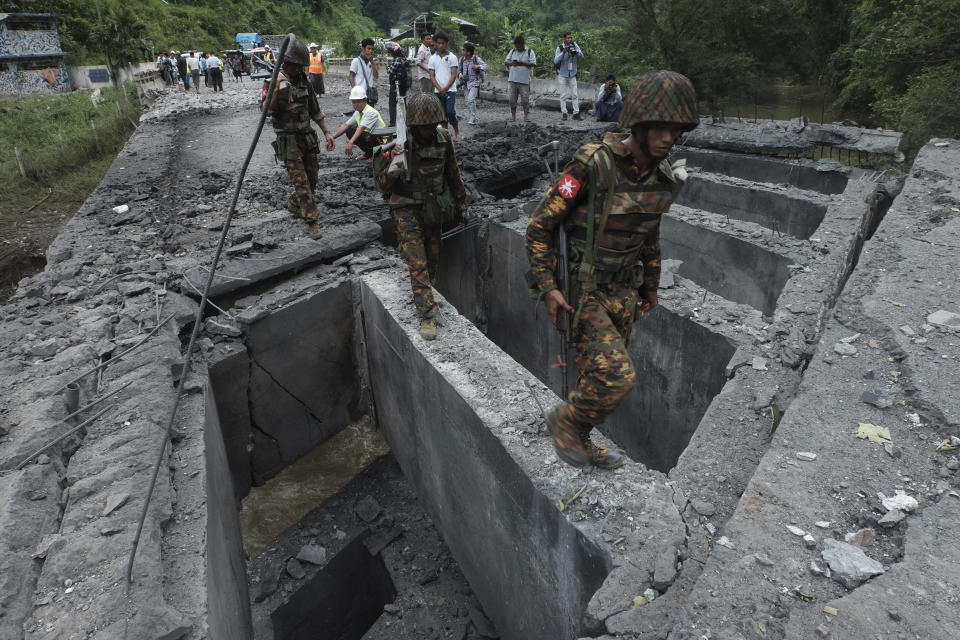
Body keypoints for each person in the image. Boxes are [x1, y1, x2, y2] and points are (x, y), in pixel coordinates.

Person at [524, 70, 699, 469]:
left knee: (596, 377)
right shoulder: (593, 164)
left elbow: (650, 235)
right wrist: (548, 286)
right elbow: (539, 227)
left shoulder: (662, 176)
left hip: (624, 294)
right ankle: (565, 421)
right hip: (584, 291)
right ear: (637, 125)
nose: (668, 138)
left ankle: (582, 439)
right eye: (659, 128)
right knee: (616, 378)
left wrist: (651, 287)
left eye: (676, 130)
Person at [376, 93, 468, 340]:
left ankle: (426, 291)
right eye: (424, 126)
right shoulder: (398, 143)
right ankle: (427, 314)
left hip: (433, 206)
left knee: (432, 259)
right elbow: (383, 185)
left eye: (432, 124)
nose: (428, 129)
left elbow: (453, 173)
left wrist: (462, 204)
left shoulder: (443, 138)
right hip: (405, 207)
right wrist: (396, 160)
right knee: (417, 262)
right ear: (414, 124)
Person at [265, 39, 335, 236]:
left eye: (300, 66)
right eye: (295, 66)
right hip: (288, 140)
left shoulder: (305, 81)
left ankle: (295, 203)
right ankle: (312, 220)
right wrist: (276, 89)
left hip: (306, 137)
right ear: (287, 64)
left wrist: (327, 132)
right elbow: (266, 110)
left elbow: (315, 109)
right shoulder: (274, 81)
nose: (298, 69)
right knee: (301, 182)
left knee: (312, 178)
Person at [330, 85, 386, 159]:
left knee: (364, 134)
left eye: (358, 101)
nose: (356, 104)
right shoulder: (357, 112)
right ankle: (369, 153)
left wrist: (351, 142)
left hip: (382, 141)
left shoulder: (371, 112)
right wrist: (332, 138)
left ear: (365, 101)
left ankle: (376, 155)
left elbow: (361, 128)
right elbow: (346, 125)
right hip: (372, 137)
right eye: (354, 102)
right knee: (350, 130)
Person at [428, 31, 460, 141]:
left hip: (450, 90)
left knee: (450, 112)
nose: (440, 45)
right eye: (438, 43)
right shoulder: (432, 58)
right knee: (442, 115)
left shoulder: (452, 57)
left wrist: (445, 88)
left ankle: (457, 132)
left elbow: (454, 74)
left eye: (443, 43)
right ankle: (447, 136)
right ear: (435, 44)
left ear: (446, 44)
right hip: (438, 91)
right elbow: (432, 76)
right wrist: (439, 89)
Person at [505, 35, 536, 122]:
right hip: (512, 80)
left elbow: (533, 64)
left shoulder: (530, 51)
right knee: (512, 100)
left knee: (525, 100)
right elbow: (506, 62)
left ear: (523, 44)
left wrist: (522, 63)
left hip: (524, 81)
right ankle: (513, 117)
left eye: (519, 46)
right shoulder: (512, 51)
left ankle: (526, 117)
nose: (518, 48)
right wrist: (512, 63)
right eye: (516, 46)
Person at [554, 32, 584, 121]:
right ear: (564, 39)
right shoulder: (559, 48)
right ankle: (564, 113)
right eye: (568, 38)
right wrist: (563, 52)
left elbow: (582, 56)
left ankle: (576, 113)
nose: (570, 40)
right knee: (563, 95)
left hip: (572, 74)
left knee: (574, 94)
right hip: (562, 74)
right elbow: (555, 61)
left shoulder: (574, 45)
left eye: (571, 38)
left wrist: (576, 51)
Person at [458, 42, 488, 126]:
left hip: (475, 82)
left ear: (468, 52)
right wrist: (460, 74)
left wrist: (478, 66)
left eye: (464, 50)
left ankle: (472, 118)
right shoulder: (461, 59)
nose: (462, 51)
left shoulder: (476, 59)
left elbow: (486, 67)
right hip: (465, 83)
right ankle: (473, 117)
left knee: (471, 99)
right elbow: (458, 70)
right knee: (468, 101)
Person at [386, 41, 412, 127]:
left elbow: (390, 71)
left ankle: (392, 123)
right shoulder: (404, 59)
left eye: (390, 51)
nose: (389, 53)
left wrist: (387, 65)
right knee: (403, 103)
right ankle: (407, 121)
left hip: (396, 85)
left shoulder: (397, 60)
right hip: (404, 85)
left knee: (392, 104)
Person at [349, 38, 379, 106]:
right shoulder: (356, 61)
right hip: (360, 95)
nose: (371, 51)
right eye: (369, 48)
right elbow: (351, 77)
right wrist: (355, 91)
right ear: (363, 48)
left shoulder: (372, 62)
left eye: (372, 49)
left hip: (369, 94)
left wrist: (372, 62)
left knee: (370, 114)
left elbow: (376, 76)